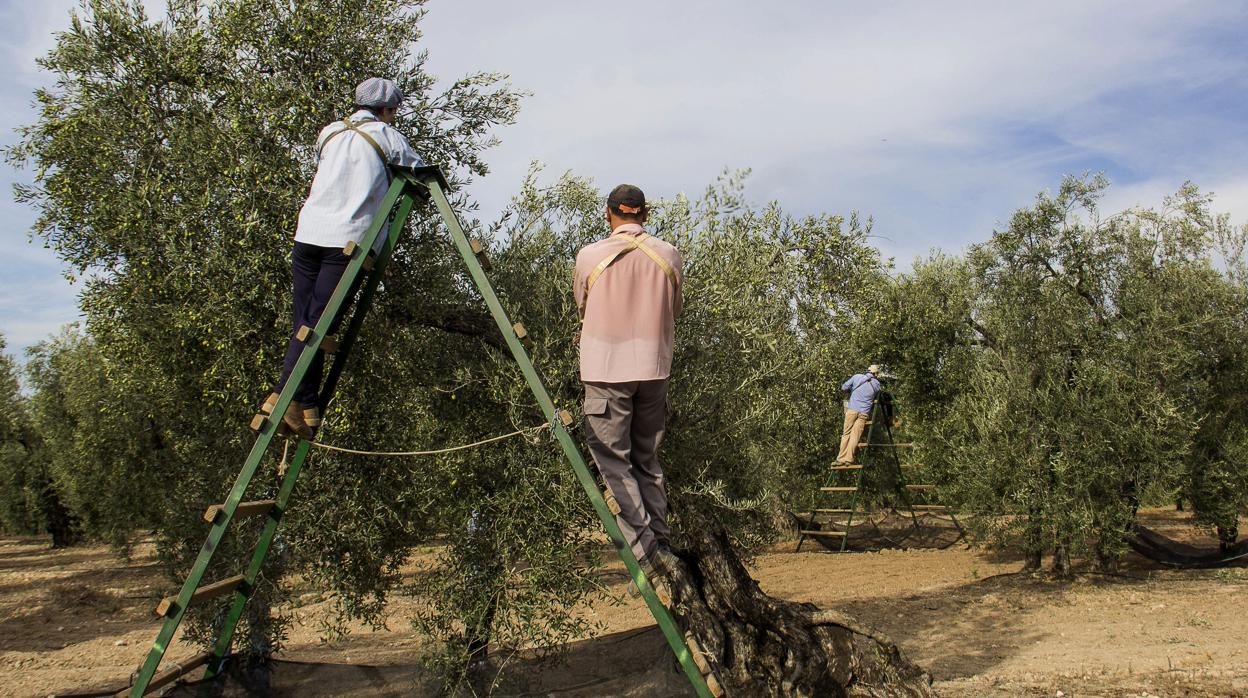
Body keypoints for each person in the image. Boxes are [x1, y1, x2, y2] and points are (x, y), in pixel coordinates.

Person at [262, 77, 426, 438]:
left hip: (308, 234)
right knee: (319, 326)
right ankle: (281, 396)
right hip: (346, 241)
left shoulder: (330, 132)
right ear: (386, 110)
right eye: (393, 111)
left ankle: (306, 405)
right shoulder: (387, 136)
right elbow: (421, 172)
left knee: (305, 322)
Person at [574, 184, 683, 592]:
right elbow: (675, 309)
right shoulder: (668, 254)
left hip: (605, 370)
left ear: (608, 214)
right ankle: (662, 542)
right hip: (654, 370)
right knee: (647, 460)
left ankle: (646, 552)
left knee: (613, 462)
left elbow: (583, 306)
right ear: (645, 213)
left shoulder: (590, 256)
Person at [835, 365, 882, 465]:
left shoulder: (857, 377)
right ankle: (849, 459)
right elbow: (876, 393)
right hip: (864, 413)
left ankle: (841, 459)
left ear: (867, 371)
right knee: (855, 436)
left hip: (852, 409)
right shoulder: (877, 384)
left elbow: (844, 387)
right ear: (876, 374)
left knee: (846, 434)